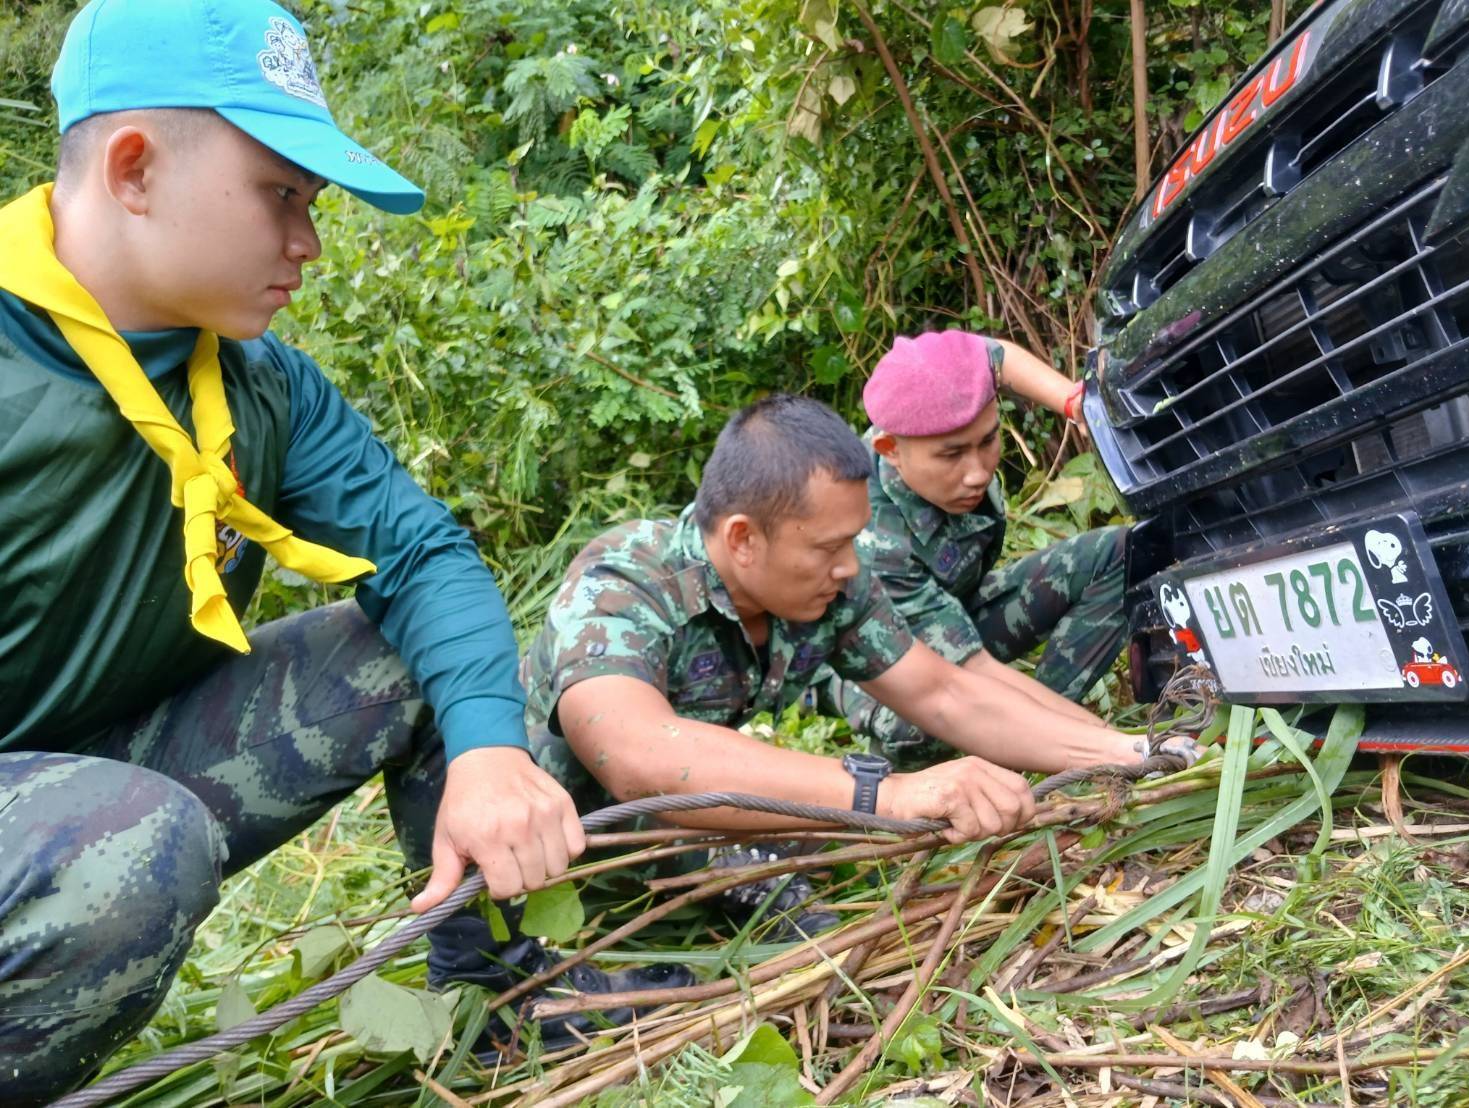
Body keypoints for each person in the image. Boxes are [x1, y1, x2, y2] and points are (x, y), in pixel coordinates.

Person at [0, 1, 637, 1097]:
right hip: (64, 829)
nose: (309, 241)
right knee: (135, 843)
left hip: (109, 769)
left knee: (431, 661)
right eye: (281, 195)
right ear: (136, 168)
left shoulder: (260, 389)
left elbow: (426, 558)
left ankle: (494, 1011)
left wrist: (491, 752)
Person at [517, 394, 1143, 943]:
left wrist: (1124, 750)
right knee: (821, 910)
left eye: (853, 539)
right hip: (562, 860)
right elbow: (637, 756)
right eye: (826, 547)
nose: (849, 566)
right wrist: (887, 793)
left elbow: (944, 693)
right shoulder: (627, 583)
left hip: (689, 820)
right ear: (742, 539)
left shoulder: (830, 581)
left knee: (835, 865)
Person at [825, 329, 1143, 769]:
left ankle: (1044, 742)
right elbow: (971, 675)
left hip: (957, 615)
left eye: (988, 441)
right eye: (951, 455)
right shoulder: (875, 541)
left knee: (1120, 555)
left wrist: (1074, 403)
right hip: (902, 677)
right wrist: (1128, 748)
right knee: (922, 727)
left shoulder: (948, 396)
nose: (977, 473)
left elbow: (995, 358)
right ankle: (1039, 746)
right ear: (890, 450)